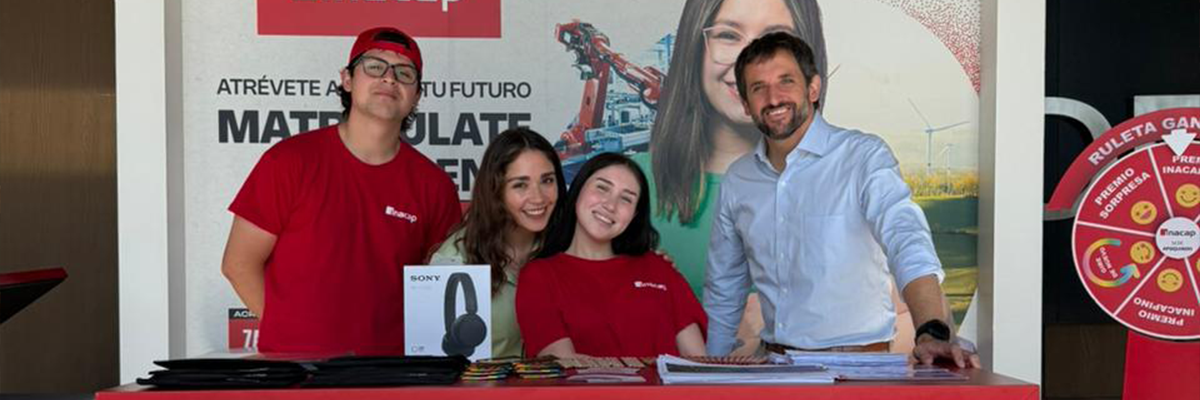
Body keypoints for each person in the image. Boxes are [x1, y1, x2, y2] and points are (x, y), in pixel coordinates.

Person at [705, 32, 980, 368]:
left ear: (814, 88)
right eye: (758, 87)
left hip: (858, 369)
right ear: (746, 104)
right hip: (775, 369)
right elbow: (725, 287)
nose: (773, 97)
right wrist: (710, 368)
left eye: (786, 81)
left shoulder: (863, 157)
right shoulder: (738, 180)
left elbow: (906, 241)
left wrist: (932, 331)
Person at [221, 27, 461, 353]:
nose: (389, 79)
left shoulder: (434, 186)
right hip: (297, 374)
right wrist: (292, 334)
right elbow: (238, 263)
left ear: (417, 94)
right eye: (375, 66)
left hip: (391, 377)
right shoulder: (288, 162)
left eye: (405, 73)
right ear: (347, 79)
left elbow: (442, 288)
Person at [635, 0, 829, 355]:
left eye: (776, 40)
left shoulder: (843, 179)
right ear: (694, 49)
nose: (749, 63)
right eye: (728, 35)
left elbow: (908, 312)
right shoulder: (624, 188)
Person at [516, 153, 707, 358]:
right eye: (602, 187)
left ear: (634, 215)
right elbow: (561, 362)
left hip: (668, 391)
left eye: (626, 199)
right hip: (587, 392)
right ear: (578, 189)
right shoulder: (539, 276)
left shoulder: (659, 268)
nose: (610, 205)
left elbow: (696, 363)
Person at [430, 127, 568, 359]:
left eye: (547, 180)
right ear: (496, 191)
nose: (538, 197)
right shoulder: (453, 260)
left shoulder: (568, 247)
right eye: (520, 185)